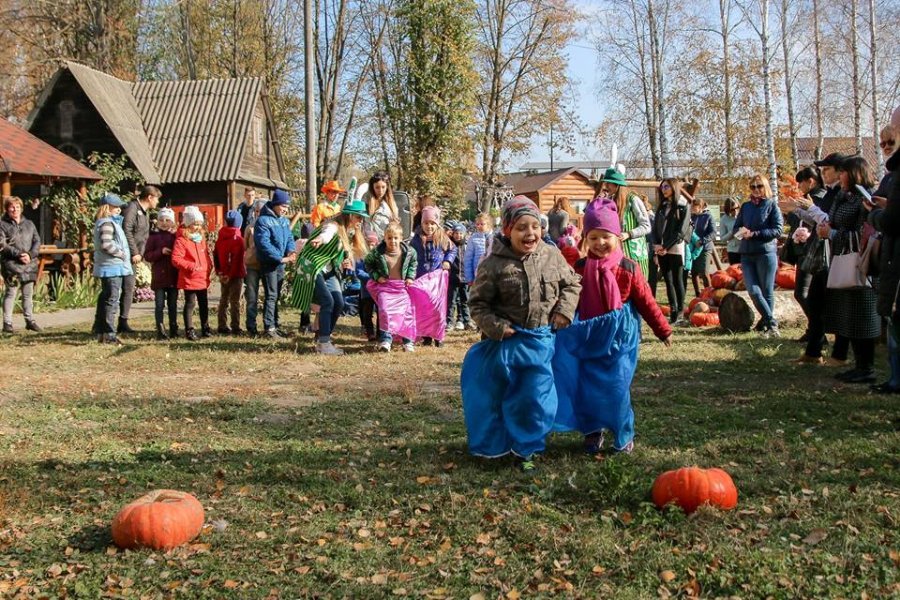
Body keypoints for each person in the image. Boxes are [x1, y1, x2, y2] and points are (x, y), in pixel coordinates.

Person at [462, 196, 581, 471]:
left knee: (536, 398)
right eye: (521, 228)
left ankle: (528, 448)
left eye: (535, 226)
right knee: (503, 397)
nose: (530, 233)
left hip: (540, 342)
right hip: (507, 345)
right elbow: (477, 304)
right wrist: (496, 327)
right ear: (507, 230)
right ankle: (502, 443)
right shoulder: (493, 264)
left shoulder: (551, 255)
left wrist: (564, 310)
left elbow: (572, 284)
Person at [553, 199, 671, 455]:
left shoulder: (629, 268)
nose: (600, 243)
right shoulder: (581, 268)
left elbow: (647, 302)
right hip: (590, 335)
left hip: (620, 337)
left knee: (617, 387)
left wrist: (662, 329)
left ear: (617, 236)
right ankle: (592, 430)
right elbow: (569, 297)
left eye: (606, 236)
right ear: (586, 239)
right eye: (593, 237)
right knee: (588, 386)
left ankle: (623, 433)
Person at [822, 156, 880, 383]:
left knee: (863, 316)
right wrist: (827, 227)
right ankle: (858, 365)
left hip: (861, 264)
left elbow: (864, 234)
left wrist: (832, 233)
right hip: (843, 260)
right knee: (850, 317)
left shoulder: (865, 199)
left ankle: (867, 368)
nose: (840, 176)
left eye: (843, 172)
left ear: (855, 173)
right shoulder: (842, 196)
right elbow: (835, 220)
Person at [292, 199, 369, 355]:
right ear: (350, 215)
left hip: (328, 268)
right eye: (359, 217)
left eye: (362, 218)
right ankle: (324, 343)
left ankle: (322, 337)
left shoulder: (350, 231)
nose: (361, 221)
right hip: (312, 266)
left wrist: (346, 260)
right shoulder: (333, 225)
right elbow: (327, 235)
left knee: (339, 302)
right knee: (327, 301)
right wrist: (320, 239)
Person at [867, 108, 900, 392]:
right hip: (890, 253)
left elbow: (893, 219)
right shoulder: (891, 174)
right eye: (882, 143)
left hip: (896, 253)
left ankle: (896, 378)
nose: (887, 147)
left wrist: (876, 214)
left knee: (895, 318)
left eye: (891, 140)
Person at [733, 174, 784, 337]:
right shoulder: (746, 206)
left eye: (759, 186)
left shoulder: (771, 205)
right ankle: (772, 322)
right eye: (753, 186)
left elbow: (778, 230)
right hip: (747, 254)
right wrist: (741, 232)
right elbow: (736, 227)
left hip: (765, 253)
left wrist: (755, 234)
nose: (756, 189)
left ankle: (767, 327)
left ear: (765, 187)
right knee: (753, 291)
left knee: (766, 291)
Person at [365, 222, 418, 352]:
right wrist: (377, 276)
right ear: (384, 238)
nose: (392, 241)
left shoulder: (409, 252)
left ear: (401, 238)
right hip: (385, 287)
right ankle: (386, 340)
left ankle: (407, 341)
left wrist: (410, 277)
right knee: (384, 311)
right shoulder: (377, 252)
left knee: (406, 313)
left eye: (395, 238)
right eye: (389, 238)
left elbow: (413, 264)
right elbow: (368, 263)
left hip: (401, 287)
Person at [789, 167, 827, 344]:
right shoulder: (807, 198)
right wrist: (792, 211)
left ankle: (818, 331)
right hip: (804, 249)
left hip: (815, 251)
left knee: (802, 293)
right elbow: (797, 221)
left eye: (801, 183)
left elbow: (818, 220)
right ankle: (814, 330)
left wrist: (797, 209)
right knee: (805, 294)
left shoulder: (820, 198)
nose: (799, 186)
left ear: (810, 181)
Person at [409, 206, 457, 347]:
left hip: (437, 280)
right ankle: (426, 336)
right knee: (424, 308)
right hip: (422, 279)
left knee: (438, 308)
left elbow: (452, 250)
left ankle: (438, 336)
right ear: (422, 223)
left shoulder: (442, 237)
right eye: (426, 223)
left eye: (432, 223)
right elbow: (410, 256)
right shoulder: (416, 239)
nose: (429, 226)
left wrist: (447, 261)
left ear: (437, 224)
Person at [254, 190, 297, 339]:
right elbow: (263, 244)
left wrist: (291, 251)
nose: (285, 209)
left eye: (287, 207)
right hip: (269, 264)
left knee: (276, 295)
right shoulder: (263, 221)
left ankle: (275, 325)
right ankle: (269, 328)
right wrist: (280, 258)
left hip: (281, 264)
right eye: (283, 206)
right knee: (271, 295)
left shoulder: (284, 221)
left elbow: (289, 238)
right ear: (275, 204)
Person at [91, 193, 132, 345]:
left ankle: (100, 333)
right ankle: (109, 334)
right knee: (112, 301)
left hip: (108, 266)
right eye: (116, 207)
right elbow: (106, 244)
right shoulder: (107, 223)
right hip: (112, 267)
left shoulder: (105, 222)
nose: (119, 210)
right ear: (107, 208)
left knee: (106, 298)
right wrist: (121, 254)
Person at [120, 185, 160, 333]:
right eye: (156, 199)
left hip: (135, 257)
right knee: (122, 288)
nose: (157, 202)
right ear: (149, 197)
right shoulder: (132, 208)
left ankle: (123, 321)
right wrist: (134, 252)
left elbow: (144, 235)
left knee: (129, 288)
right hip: (127, 256)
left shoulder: (144, 212)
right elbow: (127, 229)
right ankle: (115, 322)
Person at [652, 178, 691, 323]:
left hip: (675, 247)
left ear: (674, 187)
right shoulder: (662, 206)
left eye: (666, 186)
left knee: (677, 279)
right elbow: (655, 227)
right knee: (667, 281)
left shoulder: (683, 205)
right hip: (661, 248)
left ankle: (680, 311)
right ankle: (673, 311)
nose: (664, 189)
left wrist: (666, 246)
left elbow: (681, 231)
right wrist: (656, 246)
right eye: (662, 187)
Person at [0, 196, 42, 333]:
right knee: (10, 294)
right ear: (7, 209)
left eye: (17, 207)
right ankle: (7, 323)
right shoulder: (2, 224)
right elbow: (2, 244)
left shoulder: (29, 224)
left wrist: (30, 254)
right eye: (12, 207)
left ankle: (30, 321)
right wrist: (18, 254)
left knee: (27, 295)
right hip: (11, 264)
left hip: (29, 264)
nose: (15, 209)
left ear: (21, 208)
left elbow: (37, 241)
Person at [599, 167, 651, 276]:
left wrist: (629, 234)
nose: (606, 186)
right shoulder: (609, 201)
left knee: (637, 283)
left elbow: (646, 226)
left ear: (617, 185)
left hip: (634, 254)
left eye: (608, 183)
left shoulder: (633, 200)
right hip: (617, 253)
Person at [171, 206, 212, 341]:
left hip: (202, 277)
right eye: (195, 224)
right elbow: (176, 259)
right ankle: (189, 329)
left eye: (199, 224)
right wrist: (191, 266)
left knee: (204, 304)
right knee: (190, 304)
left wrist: (209, 266)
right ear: (188, 224)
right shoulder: (182, 240)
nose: (198, 227)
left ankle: (205, 327)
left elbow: (206, 256)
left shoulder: (201, 239)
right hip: (190, 277)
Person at [143, 207, 179, 339]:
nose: (164, 223)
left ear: (172, 222)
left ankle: (174, 329)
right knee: (159, 305)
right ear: (157, 222)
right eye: (161, 220)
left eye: (167, 220)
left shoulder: (176, 237)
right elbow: (147, 256)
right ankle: (161, 330)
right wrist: (161, 252)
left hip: (173, 276)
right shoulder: (153, 237)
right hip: (159, 277)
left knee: (172, 304)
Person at [214, 210, 246, 334]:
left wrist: (219, 272)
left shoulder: (220, 238)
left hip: (223, 274)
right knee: (235, 301)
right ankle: (235, 326)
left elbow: (216, 256)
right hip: (235, 275)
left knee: (224, 299)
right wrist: (230, 275)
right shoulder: (238, 239)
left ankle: (221, 325)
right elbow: (236, 260)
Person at [242, 199, 268, 336]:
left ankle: (269, 325)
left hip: (267, 265)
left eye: (261, 211)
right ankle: (251, 326)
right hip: (252, 265)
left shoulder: (271, 226)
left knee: (270, 296)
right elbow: (245, 246)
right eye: (257, 211)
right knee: (252, 297)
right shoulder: (250, 228)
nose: (259, 213)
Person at [446, 221, 471, 330]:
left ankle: (466, 321)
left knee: (465, 301)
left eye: (461, 233)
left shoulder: (467, 246)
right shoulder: (450, 245)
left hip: (465, 279)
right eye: (456, 233)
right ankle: (449, 322)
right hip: (453, 278)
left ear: (464, 234)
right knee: (451, 302)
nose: (458, 235)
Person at [689, 197, 715, 296]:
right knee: (694, 272)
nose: (692, 208)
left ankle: (709, 295)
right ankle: (698, 295)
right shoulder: (692, 217)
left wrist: (702, 241)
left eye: (694, 206)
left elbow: (713, 233)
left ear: (700, 207)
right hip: (694, 248)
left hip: (705, 248)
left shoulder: (708, 216)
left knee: (704, 272)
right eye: (692, 206)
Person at [463, 213, 493, 295]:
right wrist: (470, 278)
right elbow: (468, 259)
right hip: (478, 276)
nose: (479, 226)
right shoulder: (473, 238)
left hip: (493, 276)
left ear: (488, 224)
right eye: (477, 224)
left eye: (482, 224)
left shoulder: (495, 237)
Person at [367, 171, 399, 240]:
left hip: (387, 241)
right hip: (371, 241)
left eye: (383, 187)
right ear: (372, 187)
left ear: (387, 187)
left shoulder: (392, 205)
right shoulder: (366, 203)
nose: (380, 191)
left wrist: (395, 224)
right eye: (377, 187)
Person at [719, 197, 741, 265]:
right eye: (732, 210)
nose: (735, 211)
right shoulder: (724, 219)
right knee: (735, 270)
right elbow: (722, 239)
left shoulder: (743, 215)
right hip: (733, 251)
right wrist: (732, 232)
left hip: (745, 249)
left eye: (737, 208)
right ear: (727, 210)